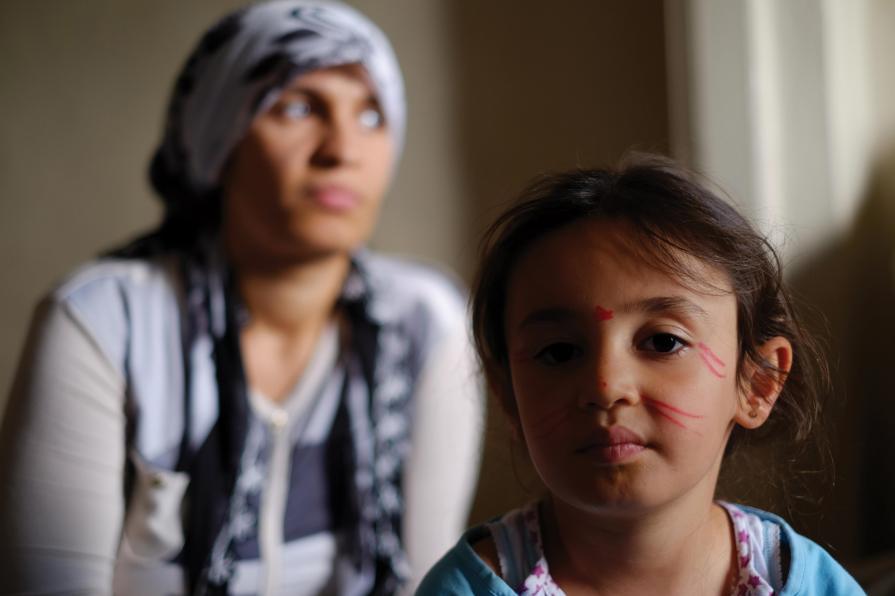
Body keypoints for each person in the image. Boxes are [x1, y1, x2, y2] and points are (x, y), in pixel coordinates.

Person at [0, 1, 482, 594]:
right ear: (218, 138)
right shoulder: (104, 322)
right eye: (298, 107)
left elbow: (426, 583)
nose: (342, 149)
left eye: (372, 115)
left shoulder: (426, 324)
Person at [417, 156, 864, 595]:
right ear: (507, 394)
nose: (606, 386)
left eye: (663, 342)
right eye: (559, 351)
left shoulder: (809, 584)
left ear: (758, 383)